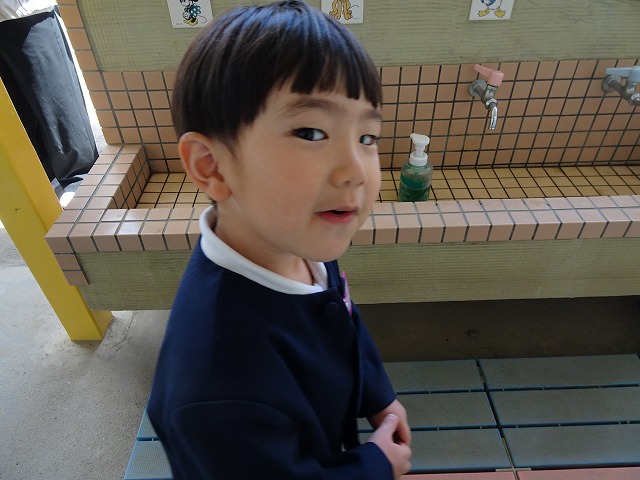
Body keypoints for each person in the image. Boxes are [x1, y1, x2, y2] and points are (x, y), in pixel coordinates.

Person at [147, 1, 412, 479]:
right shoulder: (217, 390)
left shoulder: (298, 245)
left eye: (367, 138)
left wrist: (378, 394)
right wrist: (375, 466)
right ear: (212, 166)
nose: (355, 170)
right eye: (311, 132)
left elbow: (344, 321)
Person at [0, 0, 98, 199]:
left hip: (25, 14)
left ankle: (80, 182)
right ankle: (43, 182)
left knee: (54, 101)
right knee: (16, 114)